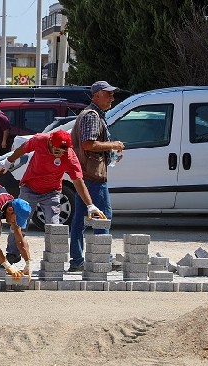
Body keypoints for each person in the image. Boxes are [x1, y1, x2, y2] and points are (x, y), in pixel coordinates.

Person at [0, 129, 107, 266]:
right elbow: (23, 149)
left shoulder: (69, 157)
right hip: (29, 188)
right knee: (20, 222)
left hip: (52, 193)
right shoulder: (40, 140)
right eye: (57, 150)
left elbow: (78, 181)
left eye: (62, 152)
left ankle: (54, 260)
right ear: (50, 142)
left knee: (54, 226)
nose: (59, 155)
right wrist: (8, 162)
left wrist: (90, 205)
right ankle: (12, 254)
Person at [68, 81, 126, 272]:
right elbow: (88, 144)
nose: (112, 98)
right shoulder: (92, 116)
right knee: (103, 216)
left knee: (79, 220)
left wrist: (111, 152)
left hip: (86, 173)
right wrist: (113, 145)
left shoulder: (92, 115)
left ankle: (77, 260)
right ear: (96, 96)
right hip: (93, 175)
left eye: (112, 94)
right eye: (108, 94)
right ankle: (102, 259)